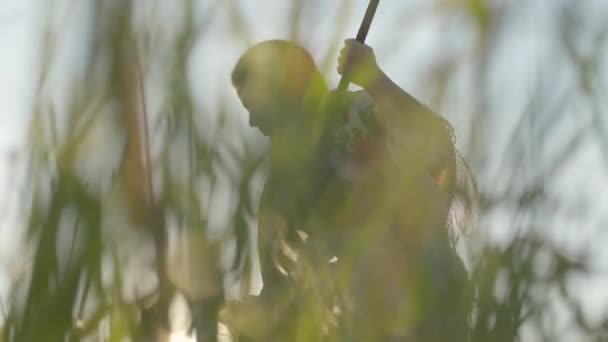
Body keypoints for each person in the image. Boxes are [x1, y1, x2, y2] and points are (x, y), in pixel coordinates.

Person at [230, 39, 477, 341]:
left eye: (256, 104)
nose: (253, 121)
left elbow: (438, 151)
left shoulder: (360, 110)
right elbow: (278, 286)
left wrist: (375, 80)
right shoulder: (279, 186)